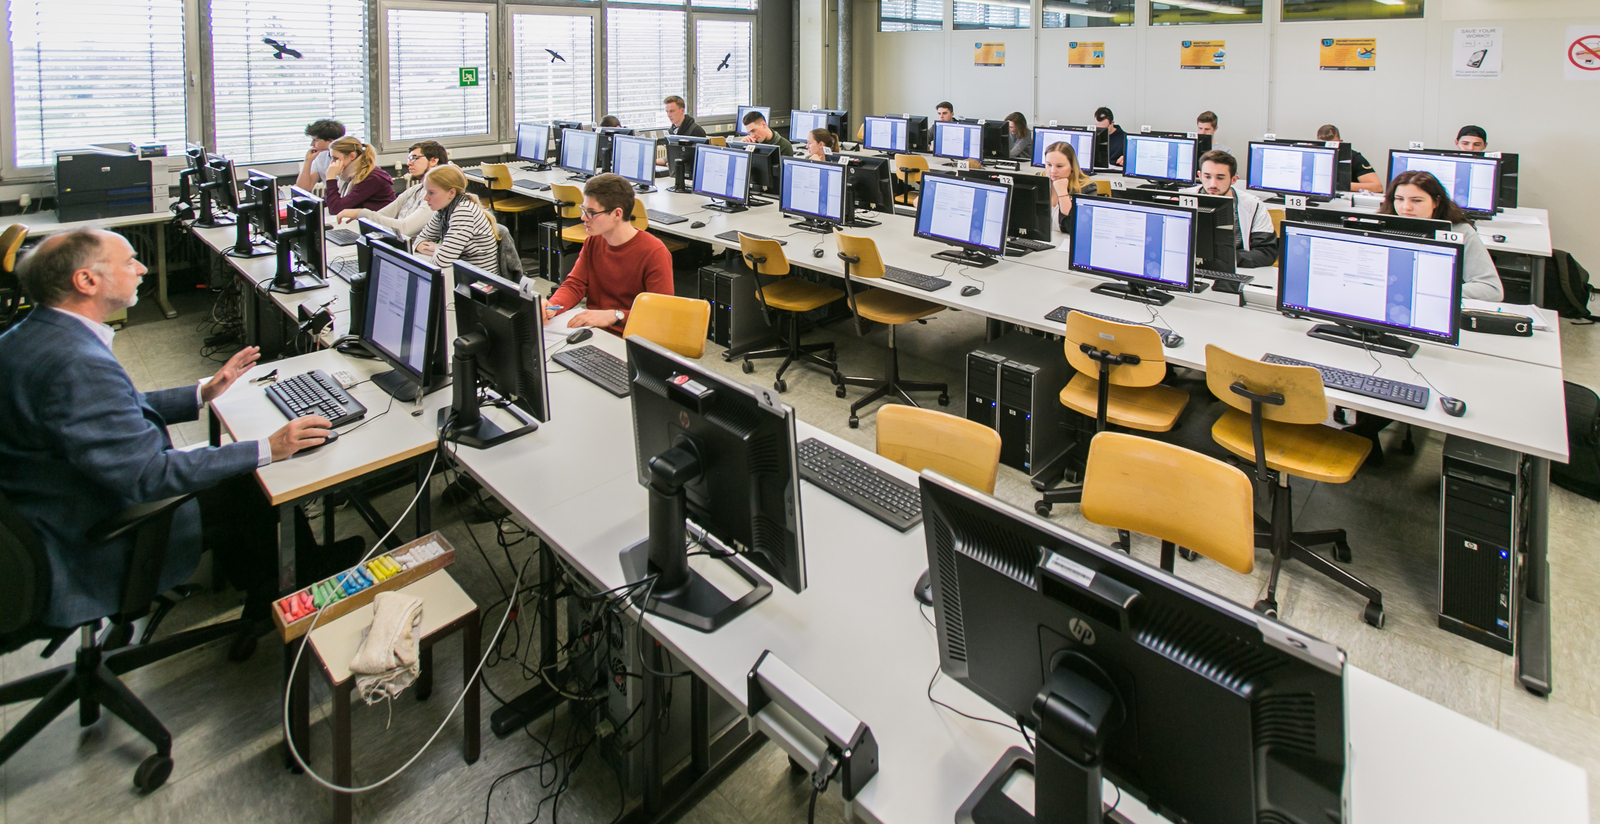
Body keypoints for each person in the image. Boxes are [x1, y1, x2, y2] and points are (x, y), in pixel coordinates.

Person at [0, 230, 335, 628]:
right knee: (253, 478)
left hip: (52, 505)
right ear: (86, 281)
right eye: (129, 261)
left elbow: (106, 408)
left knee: (236, 471)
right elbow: (149, 474)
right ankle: (295, 584)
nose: (142, 269)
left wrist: (200, 393)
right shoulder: (77, 362)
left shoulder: (31, 335)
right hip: (90, 534)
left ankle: (257, 579)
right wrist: (269, 447)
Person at [543, 174, 673, 334]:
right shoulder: (594, 241)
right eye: (584, 210)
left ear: (617, 214)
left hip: (632, 336)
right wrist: (553, 306)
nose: (583, 217)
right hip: (595, 330)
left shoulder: (654, 252)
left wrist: (615, 316)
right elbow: (575, 284)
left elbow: (660, 314)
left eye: (591, 212)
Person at [1379, 170, 1503, 301]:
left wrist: (1435, 291)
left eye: (1416, 200)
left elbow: (1491, 289)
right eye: (1399, 199)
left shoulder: (1460, 232)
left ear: (1436, 202)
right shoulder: (1379, 227)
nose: (1406, 207)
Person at [1183, 150, 1277, 268]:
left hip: (1236, 268)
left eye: (1220, 178)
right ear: (1199, 175)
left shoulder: (1253, 205)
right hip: (1188, 266)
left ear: (1234, 179)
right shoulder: (1183, 198)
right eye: (1207, 177)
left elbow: (1266, 252)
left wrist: (1228, 259)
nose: (1213, 184)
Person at [335, 141, 446, 237]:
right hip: (401, 244)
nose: (408, 163)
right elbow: (382, 214)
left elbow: (405, 229)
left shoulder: (439, 194)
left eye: (414, 158)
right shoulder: (414, 190)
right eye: (409, 159)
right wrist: (364, 215)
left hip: (415, 249)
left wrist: (362, 213)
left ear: (433, 161)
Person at [412, 165, 500, 274]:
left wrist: (437, 247)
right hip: (460, 275)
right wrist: (440, 249)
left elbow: (441, 261)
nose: (426, 198)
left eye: (431, 192)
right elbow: (418, 242)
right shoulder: (443, 211)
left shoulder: (464, 211)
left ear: (451, 193)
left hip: (477, 281)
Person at [321, 137, 396, 215]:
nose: (332, 163)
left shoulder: (372, 178)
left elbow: (335, 209)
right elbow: (330, 201)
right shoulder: (349, 176)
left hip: (380, 220)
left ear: (352, 156)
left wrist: (330, 178)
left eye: (335, 158)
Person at [1042, 142, 1096, 234]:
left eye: (1059, 166)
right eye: (1049, 165)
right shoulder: (1040, 182)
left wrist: (1062, 193)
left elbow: (1075, 227)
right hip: (1042, 239)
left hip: (1067, 240)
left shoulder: (1087, 188)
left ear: (1072, 166)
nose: (1053, 171)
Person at [1316, 124, 1382, 193]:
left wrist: (1338, 185)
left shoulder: (1354, 157)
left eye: (1333, 145)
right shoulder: (1311, 156)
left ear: (1341, 142)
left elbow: (1377, 187)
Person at [296, 119, 345, 190]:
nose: (312, 144)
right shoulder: (320, 155)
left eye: (315, 140)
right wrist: (308, 161)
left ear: (331, 141)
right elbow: (303, 188)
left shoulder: (348, 158)